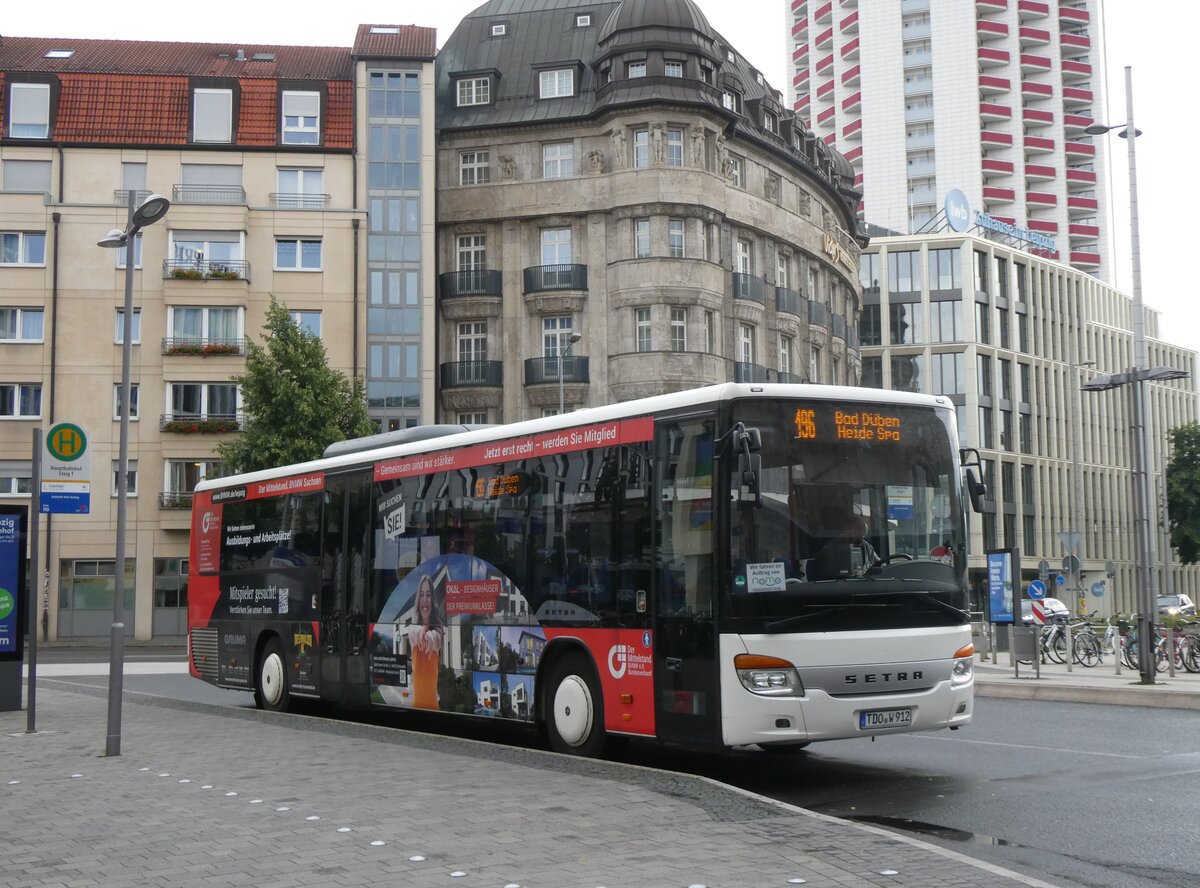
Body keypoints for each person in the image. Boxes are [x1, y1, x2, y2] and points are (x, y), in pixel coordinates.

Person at [407, 574, 444, 709]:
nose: (424, 600)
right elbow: (417, 634)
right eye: (421, 595)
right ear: (418, 600)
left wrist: (428, 634)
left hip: (433, 706)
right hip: (415, 706)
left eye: (428, 595)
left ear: (432, 600)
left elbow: (434, 639)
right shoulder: (412, 630)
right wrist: (422, 629)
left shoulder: (438, 633)